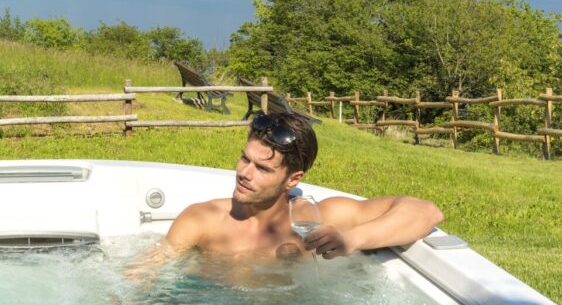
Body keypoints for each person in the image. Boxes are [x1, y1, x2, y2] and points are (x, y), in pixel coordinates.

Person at [128, 111, 444, 276]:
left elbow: (426, 212)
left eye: (263, 169)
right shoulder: (203, 220)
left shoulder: (317, 219)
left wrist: (351, 239)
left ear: (293, 179)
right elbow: (143, 273)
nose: (244, 173)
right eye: (244, 159)